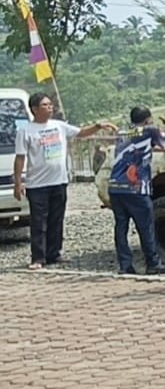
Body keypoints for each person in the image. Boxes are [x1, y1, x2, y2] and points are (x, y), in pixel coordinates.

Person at [13, 93, 117, 270]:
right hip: (37, 185)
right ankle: (38, 257)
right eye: (45, 105)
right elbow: (20, 158)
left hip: (58, 182)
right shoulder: (25, 131)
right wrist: (17, 182)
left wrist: (98, 126)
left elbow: (81, 133)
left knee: (57, 219)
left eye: (50, 104)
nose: (50, 107)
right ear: (35, 109)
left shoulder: (59, 126)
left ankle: (54, 254)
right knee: (39, 222)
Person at [107, 106, 165, 275]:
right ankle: (153, 263)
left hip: (115, 186)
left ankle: (125, 265)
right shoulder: (150, 130)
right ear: (148, 120)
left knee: (121, 227)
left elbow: (143, 148)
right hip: (135, 187)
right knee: (146, 226)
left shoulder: (124, 132)